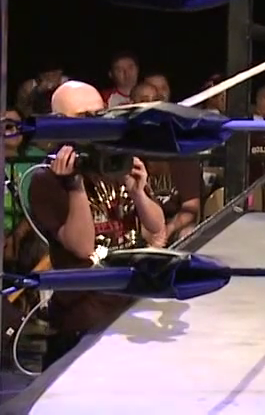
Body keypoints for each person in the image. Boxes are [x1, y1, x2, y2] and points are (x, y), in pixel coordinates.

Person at [24, 81, 167, 366]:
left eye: (99, 114)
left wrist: (138, 193)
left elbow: (155, 225)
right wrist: (75, 186)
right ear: (60, 124)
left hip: (131, 302)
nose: (96, 124)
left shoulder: (117, 160)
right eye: (84, 117)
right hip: (85, 314)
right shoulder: (46, 179)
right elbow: (82, 247)